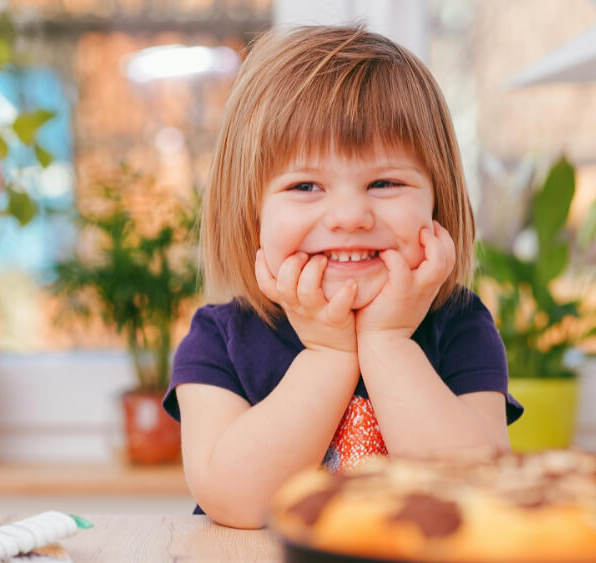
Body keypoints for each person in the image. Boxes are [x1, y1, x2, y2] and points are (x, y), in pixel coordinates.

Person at [162, 25, 523, 529]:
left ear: (438, 202)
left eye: (385, 182)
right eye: (306, 185)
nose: (350, 215)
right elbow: (234, 501)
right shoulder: (219, 338)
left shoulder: (459, 325)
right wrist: (329, 354)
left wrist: (389, 343)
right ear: (251, 213)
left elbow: (478, 496)